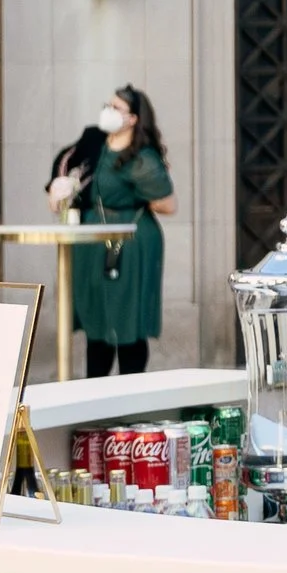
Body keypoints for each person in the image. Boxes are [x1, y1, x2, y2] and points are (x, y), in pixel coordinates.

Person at [70, 86, 174, 377]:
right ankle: (94, 399)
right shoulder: (96, 143)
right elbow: (67, 165)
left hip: (131, 240)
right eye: (109, 105)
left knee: (128, 319)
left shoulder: (142, 157)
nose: (109, 111)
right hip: (93, 237)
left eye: (117, 108)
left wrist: (136, 192)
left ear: (133, 119)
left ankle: (130, 395)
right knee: (97, 318)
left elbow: (167, 204)